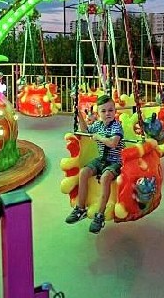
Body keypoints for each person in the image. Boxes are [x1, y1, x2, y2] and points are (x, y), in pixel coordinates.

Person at [65, 94, 124, 234]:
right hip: (102, 159)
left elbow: (113, 143)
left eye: (110, 110)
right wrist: (78, 114)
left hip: (115, 161)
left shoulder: (117, 126)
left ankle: (100, 215)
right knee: (83, 172)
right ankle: (80, 209)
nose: (107, 113)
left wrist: (99, 137)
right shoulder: (98, 125)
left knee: (105, 177)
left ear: (115, 111)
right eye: (103, 111)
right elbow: (85, 131)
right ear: (99, 113)